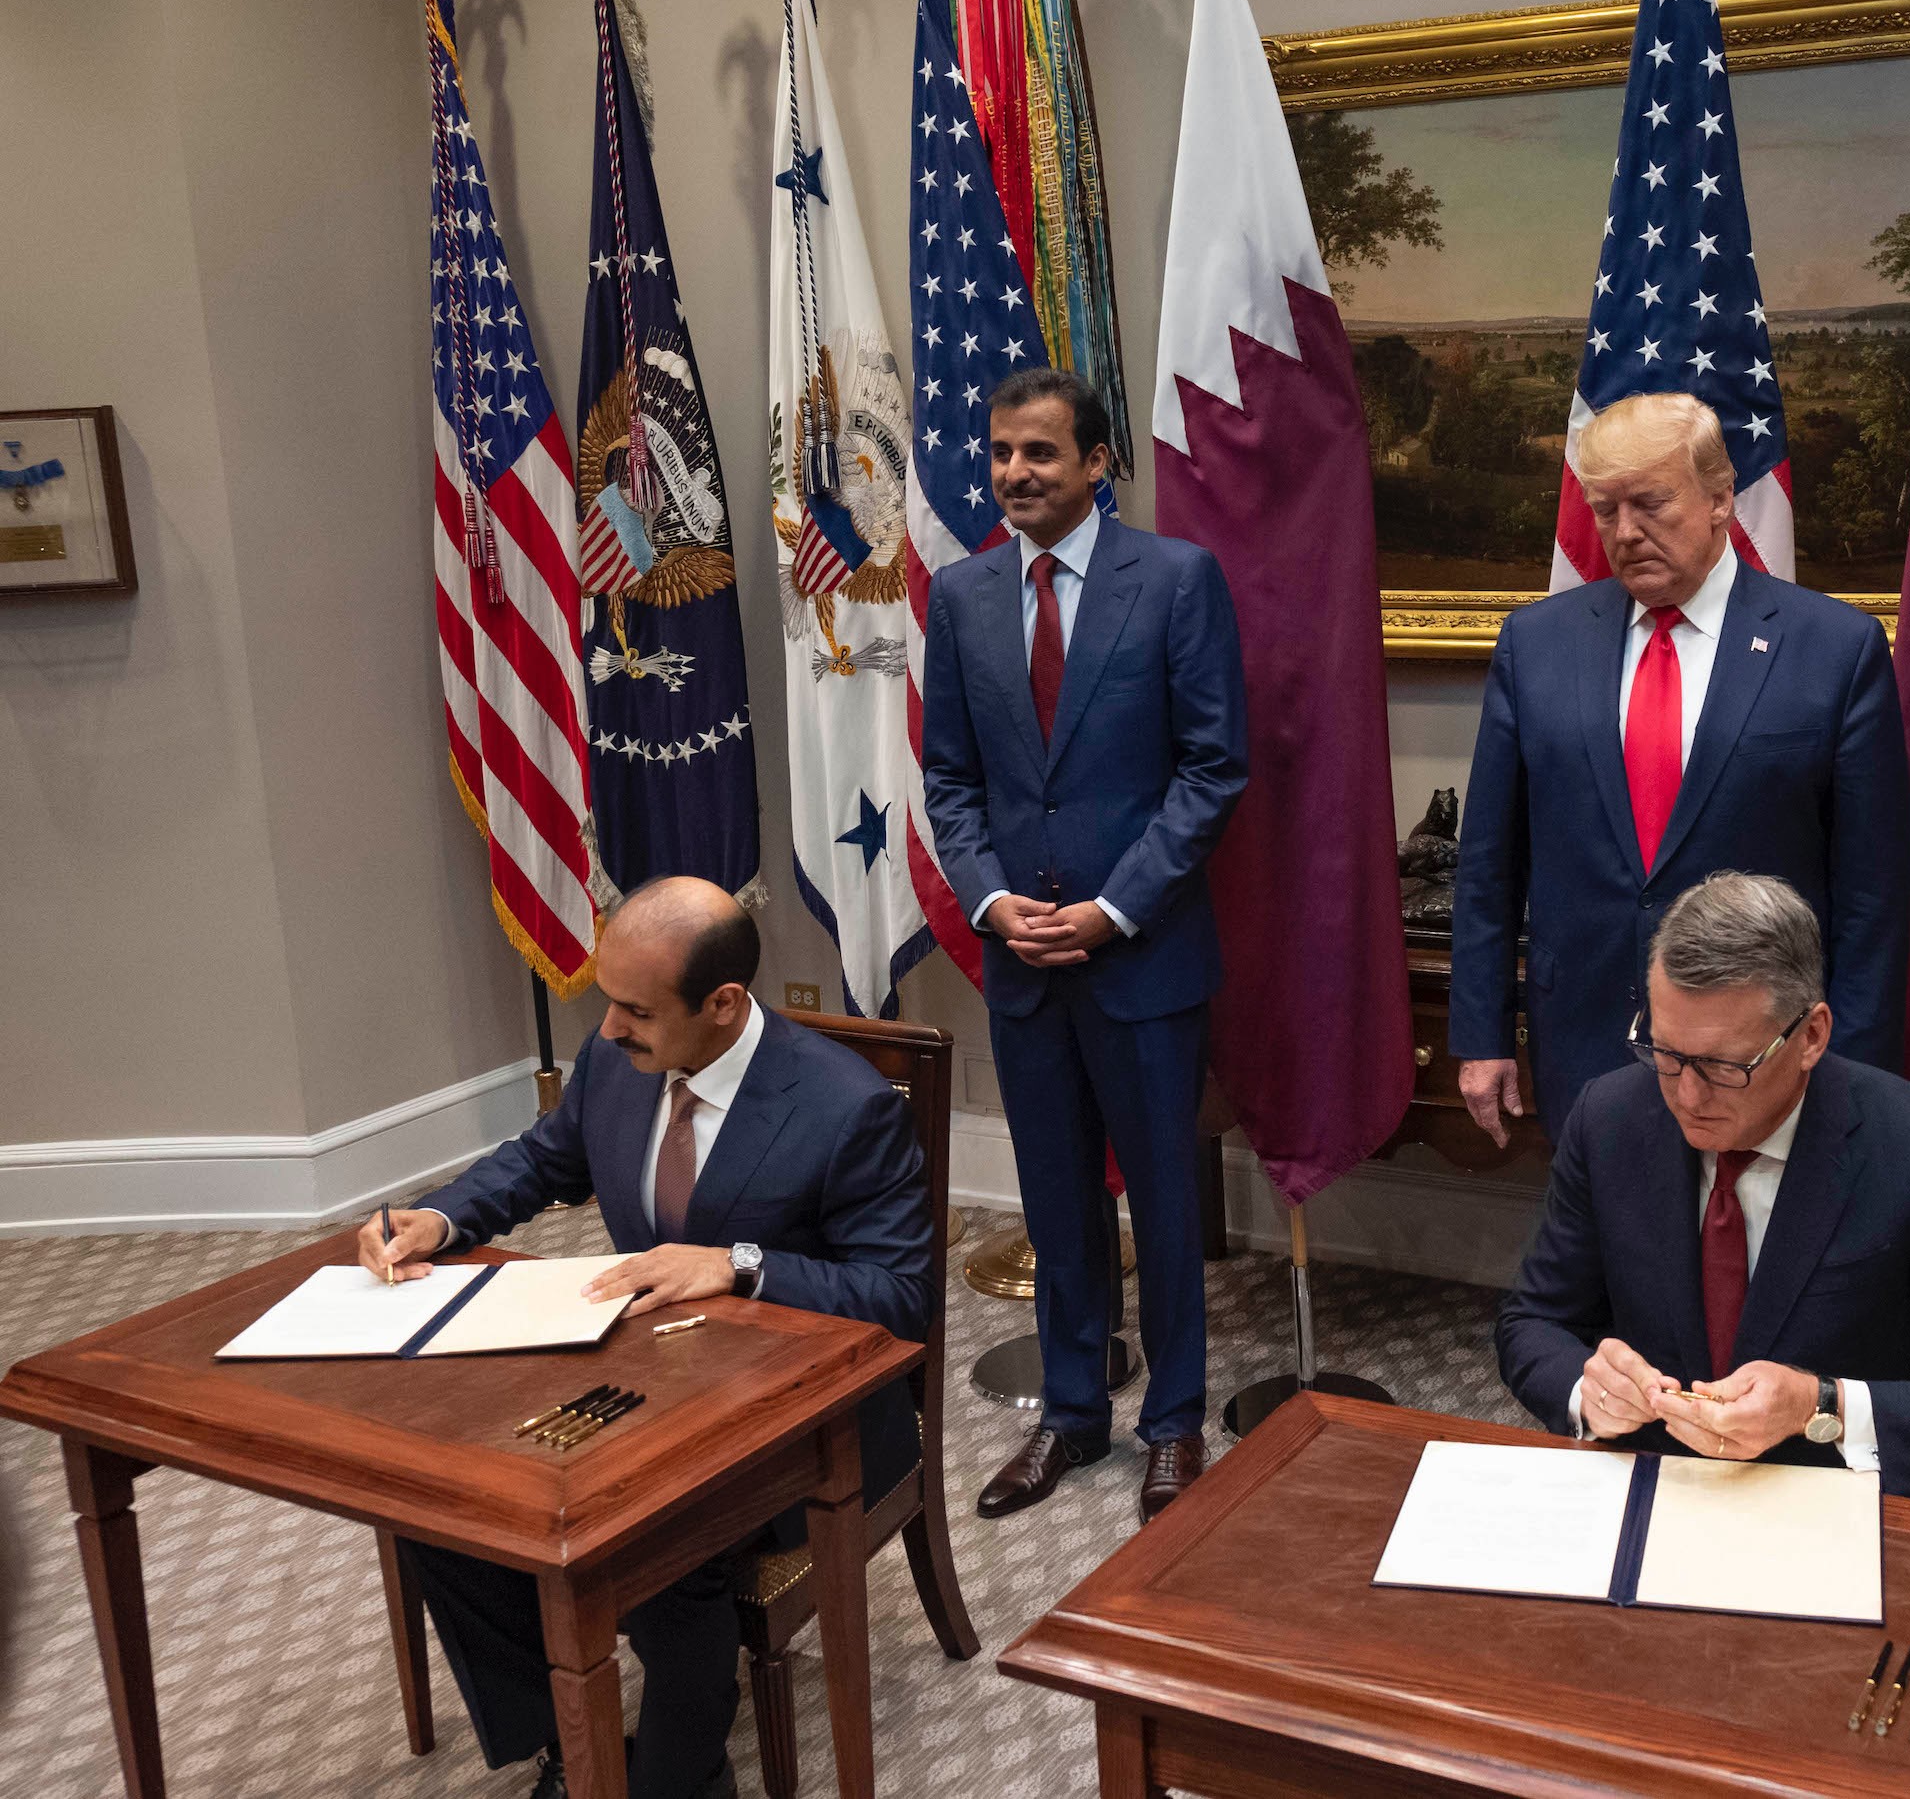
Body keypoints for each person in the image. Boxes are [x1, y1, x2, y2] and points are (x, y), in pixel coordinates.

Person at [358, 877, 931, 1799]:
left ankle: (685, 1781)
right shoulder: (615, 1055)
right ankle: (577, 1753)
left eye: (633, 1009)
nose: (611, 1030)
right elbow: (546, 1158)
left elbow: (901, 1299)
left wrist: (741, 1263)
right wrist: (440, 1216)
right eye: (606, 1005)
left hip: (802, 1421)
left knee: (661, 1556)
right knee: (449, 1511)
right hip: (641, 1376)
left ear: (723, 1004)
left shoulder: (845, 1107)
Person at [919, 367, 1248, 1527]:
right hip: (1022, 958)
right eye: (1002, 451)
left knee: (1162, 1203)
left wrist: (1116, 908)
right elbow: (950, 780)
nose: (1015, 473)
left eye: (1041, 454)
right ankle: (1070, 1415)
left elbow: (1215, 768)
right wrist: (991, 900)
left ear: (1097, 462)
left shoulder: (1173, 581)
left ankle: (1174, 1423)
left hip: (1139, 957)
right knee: (1056, 1204)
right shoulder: (958, 598)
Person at [1494, 872, 1910, 1505]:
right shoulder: (1610, 1118)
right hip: (1656, 1495)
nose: (1687, 1097)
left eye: (1726, 1067)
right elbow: (1533, 1319)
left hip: (1846, 1508)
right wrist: (1584, 1391)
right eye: (1665, 1053)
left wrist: (1823, 1403)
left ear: (1811, 1035)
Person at [1450, 392, 1910, 1147]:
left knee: (1756, 1255)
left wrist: (1850, 1064)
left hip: (1759, 1051)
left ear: (1721, 497)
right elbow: (1490, 864)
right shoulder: (1537, 646)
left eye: (1650, 503)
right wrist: (1483, 1032)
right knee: (1605, 1256)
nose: (1624, 533)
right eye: (1605, 510)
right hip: (1585, 1037)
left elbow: (1873, 897)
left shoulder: (1834, 650)